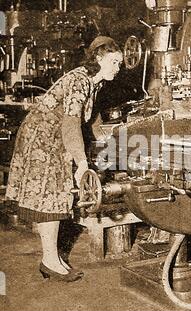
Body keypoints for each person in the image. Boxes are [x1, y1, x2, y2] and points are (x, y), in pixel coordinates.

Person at [5, 36, 123, 282]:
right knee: (51, 197)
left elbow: (89, 119)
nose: (117, 68)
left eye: (120, 64)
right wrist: (81, 162)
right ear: (99, 59)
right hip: (43, 138)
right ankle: (50, 261)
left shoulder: (94, 83)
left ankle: (53, 259)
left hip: (54, 136)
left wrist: (111, 136)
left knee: (57, 196)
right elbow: (70, 123)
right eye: (114, 62)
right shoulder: (80, 81)